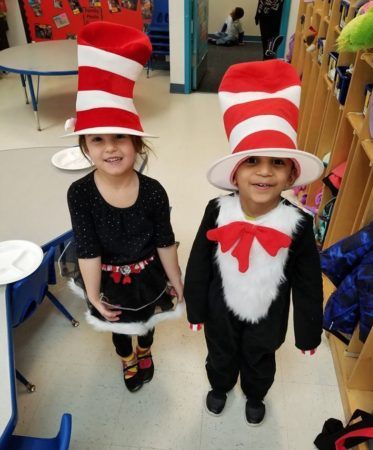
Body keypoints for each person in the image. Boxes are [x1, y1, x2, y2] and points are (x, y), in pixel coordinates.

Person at [184, 60, 325, 426]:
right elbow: (199, 263)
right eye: (252, 162)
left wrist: (308, 332)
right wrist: (196, 310)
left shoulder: (298, 224)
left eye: (277, 163)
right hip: (220, 307)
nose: (264, 171)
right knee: (220, 352)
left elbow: (308, 283)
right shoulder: (216, 210)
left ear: (291, 174)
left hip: (270, 313)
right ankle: (220, 386)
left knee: (261, 355)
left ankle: (255, 393)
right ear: (235, 171)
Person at [66, 22, 184, 393]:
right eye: (97, 139)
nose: (110, 148)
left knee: (146, 322)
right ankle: (128, 359)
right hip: (106, 278)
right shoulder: (79, 193)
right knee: (117, 328)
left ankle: (145, 351)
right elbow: (87, 249)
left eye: (120, 137)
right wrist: (95, 296)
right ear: (85, 146)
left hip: (147, 273)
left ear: (137, 143)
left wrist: (177, 279)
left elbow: (165, 239)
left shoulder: (153, 191)